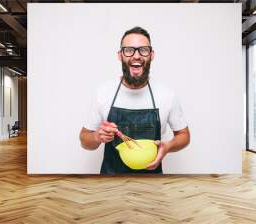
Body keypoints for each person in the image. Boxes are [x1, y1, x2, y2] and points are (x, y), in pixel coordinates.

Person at [79, 26, 190, 174]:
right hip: (109, 184)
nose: (136, 56)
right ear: (120, 55)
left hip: (152, 185)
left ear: (151, 55)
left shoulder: (166, 94)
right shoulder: (104, 92)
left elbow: (184, 135)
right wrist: (97, 136)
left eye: (143, 50)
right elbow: (85, 140)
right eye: (129, 50)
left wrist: (168, 146)